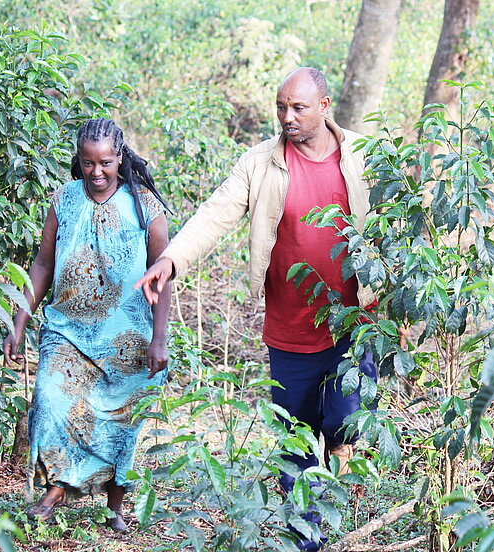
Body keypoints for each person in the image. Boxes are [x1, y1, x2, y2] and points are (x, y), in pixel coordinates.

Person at [134, 67, 376, 550]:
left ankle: (338, 474)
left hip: (357, 324)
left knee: (346, 421)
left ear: (325, 107)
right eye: (281, 107)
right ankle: (305, 536)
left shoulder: (365, 157)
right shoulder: (260, 163)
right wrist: (170, 260)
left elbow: (399, 222)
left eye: (299, 108)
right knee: (294, 440)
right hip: (290, 330)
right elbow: (215, 213)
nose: (287, 117)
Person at [3, 118, 172, 532]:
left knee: (121, 423)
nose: (97, 172)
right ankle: (57, 488)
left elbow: (164, 274)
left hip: (129, 338)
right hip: (68, 330)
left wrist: (159, 338)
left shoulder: (147, 207)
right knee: (49, 400)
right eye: (87, 163)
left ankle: (114, 510)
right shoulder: (63, 200)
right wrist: (19, 319)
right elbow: (43, 263)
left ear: (120, 159)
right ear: (78, 162)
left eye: (106, 163)